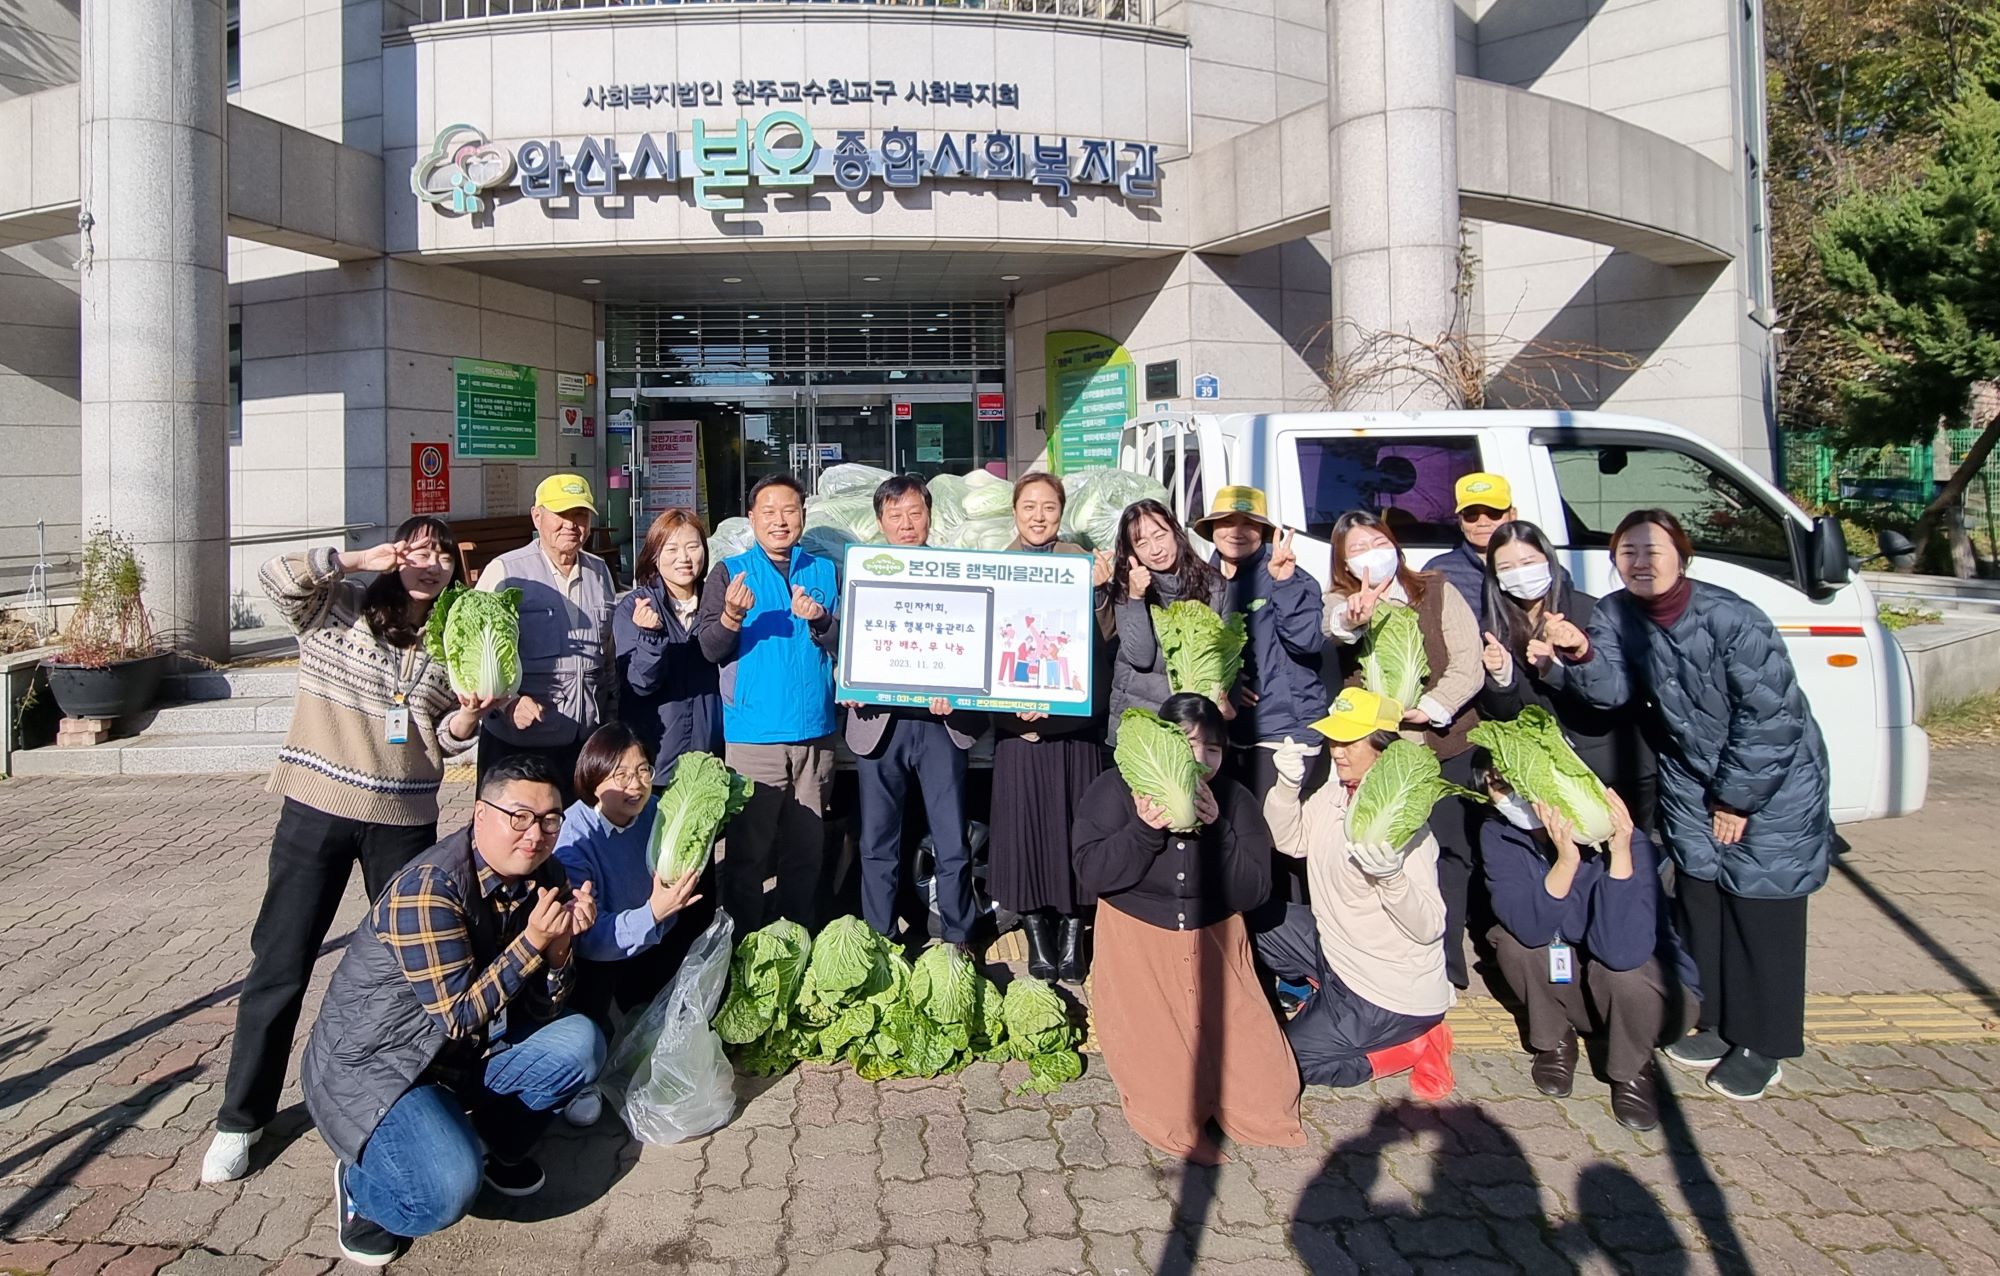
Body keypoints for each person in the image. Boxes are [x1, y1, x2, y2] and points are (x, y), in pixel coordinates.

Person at [202, 522, 505, 1185]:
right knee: (280, 962)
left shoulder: (455, 636)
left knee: (411, 971)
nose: (430, 564)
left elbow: (444, 735)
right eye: (418, 550)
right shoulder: (338, 605)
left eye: (442, 554)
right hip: (316, 809)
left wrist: (470, 719)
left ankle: (397, 1102)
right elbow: (275, 577)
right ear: (397, 555)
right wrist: (354, 558)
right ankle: (240, 1118)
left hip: (400, 818)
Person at [1545, 509, 1832, 1102]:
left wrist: (1736, 797)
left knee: (1761, 906)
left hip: (1769, 784)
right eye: (1628, 552)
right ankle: (1718, 1020)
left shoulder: (1731, 617)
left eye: (1654, 549)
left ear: (1683, 555)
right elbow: (1612, 692)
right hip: (1690, 779)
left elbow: (1773, 716)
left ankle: (1765, 1042)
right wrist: (1580, 655)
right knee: (1702, 898)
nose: (1641, 562)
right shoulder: (1615, 613)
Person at [299, 754, 605, 1267]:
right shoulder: (430, 889)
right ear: (479, 814)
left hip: (459, 1055)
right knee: (443, 1191)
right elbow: (461, 1015)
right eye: (519, 817)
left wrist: (558, 951)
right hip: (379, 1069)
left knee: (581, 1042)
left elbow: (541, 1010)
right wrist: (533, 941)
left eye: (550, 820)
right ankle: (362, 1186)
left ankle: (488, 1143)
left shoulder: (544, 875)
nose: (535, 834)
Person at [1072, 692, 1306, 1165]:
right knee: (1170, 1105)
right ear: (1162, 745)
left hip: (1217, 944)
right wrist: (1142, 830)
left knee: (1269, 1093)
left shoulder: (1235, 799)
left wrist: (1217, 830)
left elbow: (1253, 890)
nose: (1201, 761)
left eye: (1213, 750)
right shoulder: (1114, 789)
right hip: (1140, 946)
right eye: (1188, 745)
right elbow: (1091, 873)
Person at [1256, 690, 1456, 1099]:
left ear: (1383, 748)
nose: (1337, 751)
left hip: (1383, 994)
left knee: (1279, 1063)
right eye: (1333, 739)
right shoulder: (1336, 792)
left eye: (1349, 741)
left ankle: (1406, 1048)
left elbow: (1429, 928)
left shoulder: (1403, 825)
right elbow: (1289, 840)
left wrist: (1392, 878)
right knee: (1254, 918)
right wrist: (1286, 788)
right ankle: (1316, 996)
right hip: (1337, 950)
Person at [1476, 761, 1697, 1131]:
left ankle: (1631, 1067)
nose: (1510, 795)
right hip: (1574, 988)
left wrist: (1621, 854)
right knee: (1514, 942)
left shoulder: (1624, 840)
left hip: (1649, 1002)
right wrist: (1565, 862)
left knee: (1620, 974)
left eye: (1516, 783)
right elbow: (1530, 929)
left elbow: (1621, 952)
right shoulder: (1499, 834)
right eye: (1496, 786)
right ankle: (1554, 1039)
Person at [1322, 510, 1484, 987]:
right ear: (1344, 563)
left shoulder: (1435, 589)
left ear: (1393, 544)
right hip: (1381, 749)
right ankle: (1391, 956)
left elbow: (1467, 662)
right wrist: (1356, 616)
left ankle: (1448, 960)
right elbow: (1335, 626)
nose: (1371, 553)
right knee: (1388, 849)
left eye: (1377, 541)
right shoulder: (1342, 599)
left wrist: (1432, 705)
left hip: (1442, 742)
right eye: (1356, 549)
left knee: (1451, 853)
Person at [843, 475, 986, 948]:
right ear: (880, 521)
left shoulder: (958, 570)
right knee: (877, 843)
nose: (907, 525)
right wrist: (847, 681)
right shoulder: (862, 572)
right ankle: (881, 939)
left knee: (951, 840)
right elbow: (843, 642)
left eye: (915, 513)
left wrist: (960, 695)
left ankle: (961, 937)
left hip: (942, 726)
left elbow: (975, 644)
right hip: (879, 726)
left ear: (930, 515)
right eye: (895, 515)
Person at [698, 472, 840, 932]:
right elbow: (710, 647)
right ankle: (740, 946)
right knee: (748, 853)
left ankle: (797, 939)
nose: (781, 520)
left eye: (790, 511)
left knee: (806, 850)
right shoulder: (730, 571)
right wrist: (732, 615)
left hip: (815, 733)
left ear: (803, 516)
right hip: (754, 736)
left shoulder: (823, 571)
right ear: (751, 518)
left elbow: (847, 645)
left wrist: (820, 619)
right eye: (769, 511)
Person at [550, 723, 706, 1127]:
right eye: (620, 775)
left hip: (653, 933)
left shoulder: (657, 813)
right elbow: (590, 937)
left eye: (643, 771)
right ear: (592, 779)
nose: (635, 785)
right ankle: (582, 1073)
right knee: (592, 989)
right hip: (598, 952)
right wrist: (653, 912)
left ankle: (654, 1018)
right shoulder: (574, 838)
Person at [990, 472, 1112, 983]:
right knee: (1025, 834)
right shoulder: (994, 566)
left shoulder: (1082, 565)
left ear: (1061, 513)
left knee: (1074, 832)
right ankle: (1038, 933)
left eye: (1049, 507)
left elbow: (1105, 643)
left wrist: (1103, 594)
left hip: (1074, 730)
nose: (1039, 517)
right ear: (1015, 513)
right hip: (1018, 731)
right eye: (1029, 506)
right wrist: (1011, 710)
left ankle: (1073, 936)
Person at [1475, 519, 1656, 832]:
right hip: (1555, 779)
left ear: (1548, 560)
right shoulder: (1493, 630)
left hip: (1615, 767)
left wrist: (1555, 670)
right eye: (1506, 567)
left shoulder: (1593, 613)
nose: (1519, 572)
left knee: (1631, 867)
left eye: (1528, 562)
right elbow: (1507, 718)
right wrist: (1502, 680)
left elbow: (1614, 697)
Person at [1195, 485, 1329, 906]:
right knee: (1239, 835)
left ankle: (1295, 943)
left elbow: (1308, 642)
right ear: (1212, 529)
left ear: (1264, 530)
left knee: (1282, 843)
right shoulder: (1203, 580)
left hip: (1283, 733)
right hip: (1226, 736)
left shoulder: (1288, 575)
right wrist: (1228, 686)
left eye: (1249, 523)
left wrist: (1285, 584)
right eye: (1226, 522)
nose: (1236, 531)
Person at [474, 474, 618, 802]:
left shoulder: (599, 571)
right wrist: (507, 705)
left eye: (580, 515)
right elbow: (475, 661)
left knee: (576, 845)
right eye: (561, 514)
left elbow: (607, 657)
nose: (571, 524)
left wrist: (610, 722)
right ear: (537, 516)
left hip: (584, 745)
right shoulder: (505, 571)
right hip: (519, 746)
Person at [1105, 498, 1227, 745]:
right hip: (1139, 720)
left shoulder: (1214, 585)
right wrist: (1136, 598)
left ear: (1175, 532)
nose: (1155, 549)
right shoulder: (1125, 587)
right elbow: (1140, 657)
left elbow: (1222, 655)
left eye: (1160, 536)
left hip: (1194, 723)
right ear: (1131, 552)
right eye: (1142, 543)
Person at [614, 508, 722, 773]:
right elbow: (639, 683)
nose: (684, 558)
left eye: (692, 547)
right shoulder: (635, 606)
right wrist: (650, 636)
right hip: (654, 759)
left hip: (711, 755)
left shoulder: (717, 601)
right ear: (655, 556)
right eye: (671, 549)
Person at [1431, 471, 1519, 612]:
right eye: (1471, 515)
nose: (1483, 522)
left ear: (1513, 515)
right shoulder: (1438, 572)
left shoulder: (1541, 568)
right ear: (1460, 521)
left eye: (1494, 513)